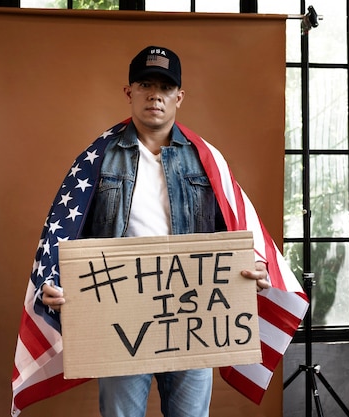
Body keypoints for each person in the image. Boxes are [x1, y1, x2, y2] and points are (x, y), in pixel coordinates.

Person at [39, 45, 271, 417]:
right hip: (119, 317)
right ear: (129, 92)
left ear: (179, 97)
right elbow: (68, 229)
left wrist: (254, 265)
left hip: (192, 317)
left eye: (165, 88)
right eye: (146, 84)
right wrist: (53, 279)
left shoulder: (205, 158)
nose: (155, 96)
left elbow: (231, 228)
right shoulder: (98, 158)